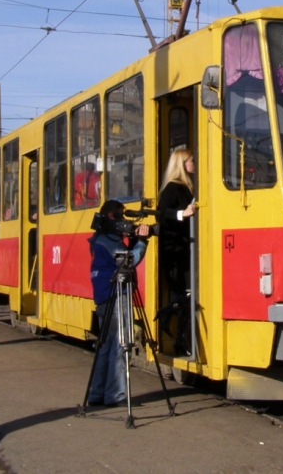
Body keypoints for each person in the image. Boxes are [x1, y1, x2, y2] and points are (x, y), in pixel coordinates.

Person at [87, 200, 150, 407]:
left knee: (105, 346)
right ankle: (116, 395)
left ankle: (97, 394)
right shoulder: (109, 241)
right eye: (121, 216)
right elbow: (128, 261)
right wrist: (141, 241)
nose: (124, 221)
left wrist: (132, 238)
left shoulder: (99, 239)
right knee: (120, 345)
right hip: (116, 295)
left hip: (104, 295)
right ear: (111, 217)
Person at [155, 148, 195, 356]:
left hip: (187, 248)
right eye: (191, 161)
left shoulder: (189, 186)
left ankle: (180, 338)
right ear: (182, 164)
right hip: (177, 251)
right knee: (187, 293)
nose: (194, 164)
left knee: (188, 294)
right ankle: (168, 315)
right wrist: (183, 213)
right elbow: (161, 214)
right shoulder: (173, 187)